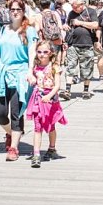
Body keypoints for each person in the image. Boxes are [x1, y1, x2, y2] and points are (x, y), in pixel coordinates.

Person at [0, 0, 37, 162]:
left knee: (16, 114)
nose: (15, 12)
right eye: (12, 9)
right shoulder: (4, 29)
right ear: (9, 12)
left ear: (23, 11)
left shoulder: (29, 30)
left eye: (18, 9)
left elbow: (32, 52)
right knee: (0, 114)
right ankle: (11, 133)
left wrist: (31, 72)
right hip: (3, 74)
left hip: (21, 74)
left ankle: (14, 147)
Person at [26, 40, 67, 168]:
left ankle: (52, 148)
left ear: (51, 53)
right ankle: (36, 154)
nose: (42, 55)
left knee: (50, 125)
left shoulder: (54, 67)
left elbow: (57, 86)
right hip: (38, 99)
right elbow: (30, 77)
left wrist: (49, 96)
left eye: (45, 52)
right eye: (39, 52)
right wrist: (30, 78)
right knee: (37, 126)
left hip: (50, 100)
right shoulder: (35, 66)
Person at [64, 0, 99, 100]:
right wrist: (66, 27)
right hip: (73, 44)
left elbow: (95, 25)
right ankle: (67, 90)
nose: (74, 9)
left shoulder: (91, 12)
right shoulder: (71, 13)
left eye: (75, 7)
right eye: (73, 7)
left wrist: (81, 23)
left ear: (82, 4)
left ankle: (86, 90)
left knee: (86, 68)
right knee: (70, 66)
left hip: (87, 44)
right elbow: (69, 24)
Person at [89, 0, 103, 80]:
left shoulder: (85, 10)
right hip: (96, 35)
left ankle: (88, 75)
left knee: (87, 56)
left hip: (86, 35)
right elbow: (100, 25)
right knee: (100, 55)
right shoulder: (98, 12)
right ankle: (101, 74)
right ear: (98, 2)